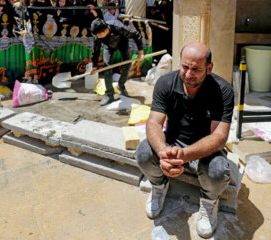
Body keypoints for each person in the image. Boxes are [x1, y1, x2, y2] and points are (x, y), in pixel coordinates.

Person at [135, 42, 234, 238]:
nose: (189, 74)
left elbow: (219, 137)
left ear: (209, 67)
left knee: (218, 171)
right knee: (143, 153)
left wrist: (184, 155)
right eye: (185, 67)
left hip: (205, 150)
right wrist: (164, 152)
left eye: (196, 69)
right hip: (173, 144)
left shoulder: (222, 90)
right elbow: (154, 123)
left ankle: (208, 202)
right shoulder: (166, 83)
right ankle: (159, 185)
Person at [90, 18, 144, 106]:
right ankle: (109, 95)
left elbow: (136, 34)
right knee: (107, 67)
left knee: (127, 63)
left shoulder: (118, 27)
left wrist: (141, 52)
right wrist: (94, 66)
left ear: (107, 30)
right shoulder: (98, 36)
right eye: (97, 35)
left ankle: (121, 85)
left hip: (122, 43)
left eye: (100, 34)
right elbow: (95, 50)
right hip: (108, 46)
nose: (98, 37)